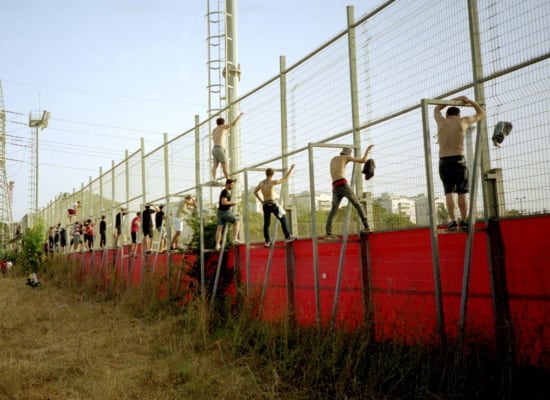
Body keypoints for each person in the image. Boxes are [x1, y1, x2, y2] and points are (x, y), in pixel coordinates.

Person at [434, 96, 485, 231]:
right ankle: (463, 220)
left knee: (449, 192)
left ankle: (452, 221)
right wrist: (469, 101)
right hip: (459, 161)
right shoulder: (464, 121)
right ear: (459, 114)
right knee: (462, 192)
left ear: (447, 114)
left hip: (444, 161)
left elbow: (436, 108)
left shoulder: (441, 122)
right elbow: (481, 113)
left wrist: (454, 99)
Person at [325, 145, 374, 239]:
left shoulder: (333, 159)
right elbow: (363, 160)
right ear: (348, 154)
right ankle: (367, 226)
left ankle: (328, 233)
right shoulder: (346, 157)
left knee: (333, 210)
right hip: (343, 184)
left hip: (335, 186)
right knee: (357, 204)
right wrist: (368, 150)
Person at [254, 164, 296, 247]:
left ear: (266, 174)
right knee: (282, 218)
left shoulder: (261, 183)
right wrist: (291, 169)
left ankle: (267, 241)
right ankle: (287, 236)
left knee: (266, 224)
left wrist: (261, 201)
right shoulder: (272, 182)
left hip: (265, 204)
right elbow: (285, 179)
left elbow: (255, 192)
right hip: (272, 203)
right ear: (272, 174)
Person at [211, 112, 244, 181]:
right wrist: (239, 116)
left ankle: (214, 178)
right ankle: (228, 179)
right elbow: (233, 124)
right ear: (223, 123)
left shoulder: (214, 130)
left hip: (214, 149)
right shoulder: (223, 127)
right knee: (225, 164)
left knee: (215, 165)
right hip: (220, 148)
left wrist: (226, 131)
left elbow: (221, 133)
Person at [215, 179, 242, 251]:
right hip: (225, 212)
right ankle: (235, 238)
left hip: (220, 212)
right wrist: (232, 203)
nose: (233, 186)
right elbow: (224, 202)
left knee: (219, 228)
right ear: (228, 184)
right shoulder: (225, 192)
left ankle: (217, 244)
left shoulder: (225, 192)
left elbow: (223, 203)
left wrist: (230, 204)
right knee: (237, 221)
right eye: (232, 185)